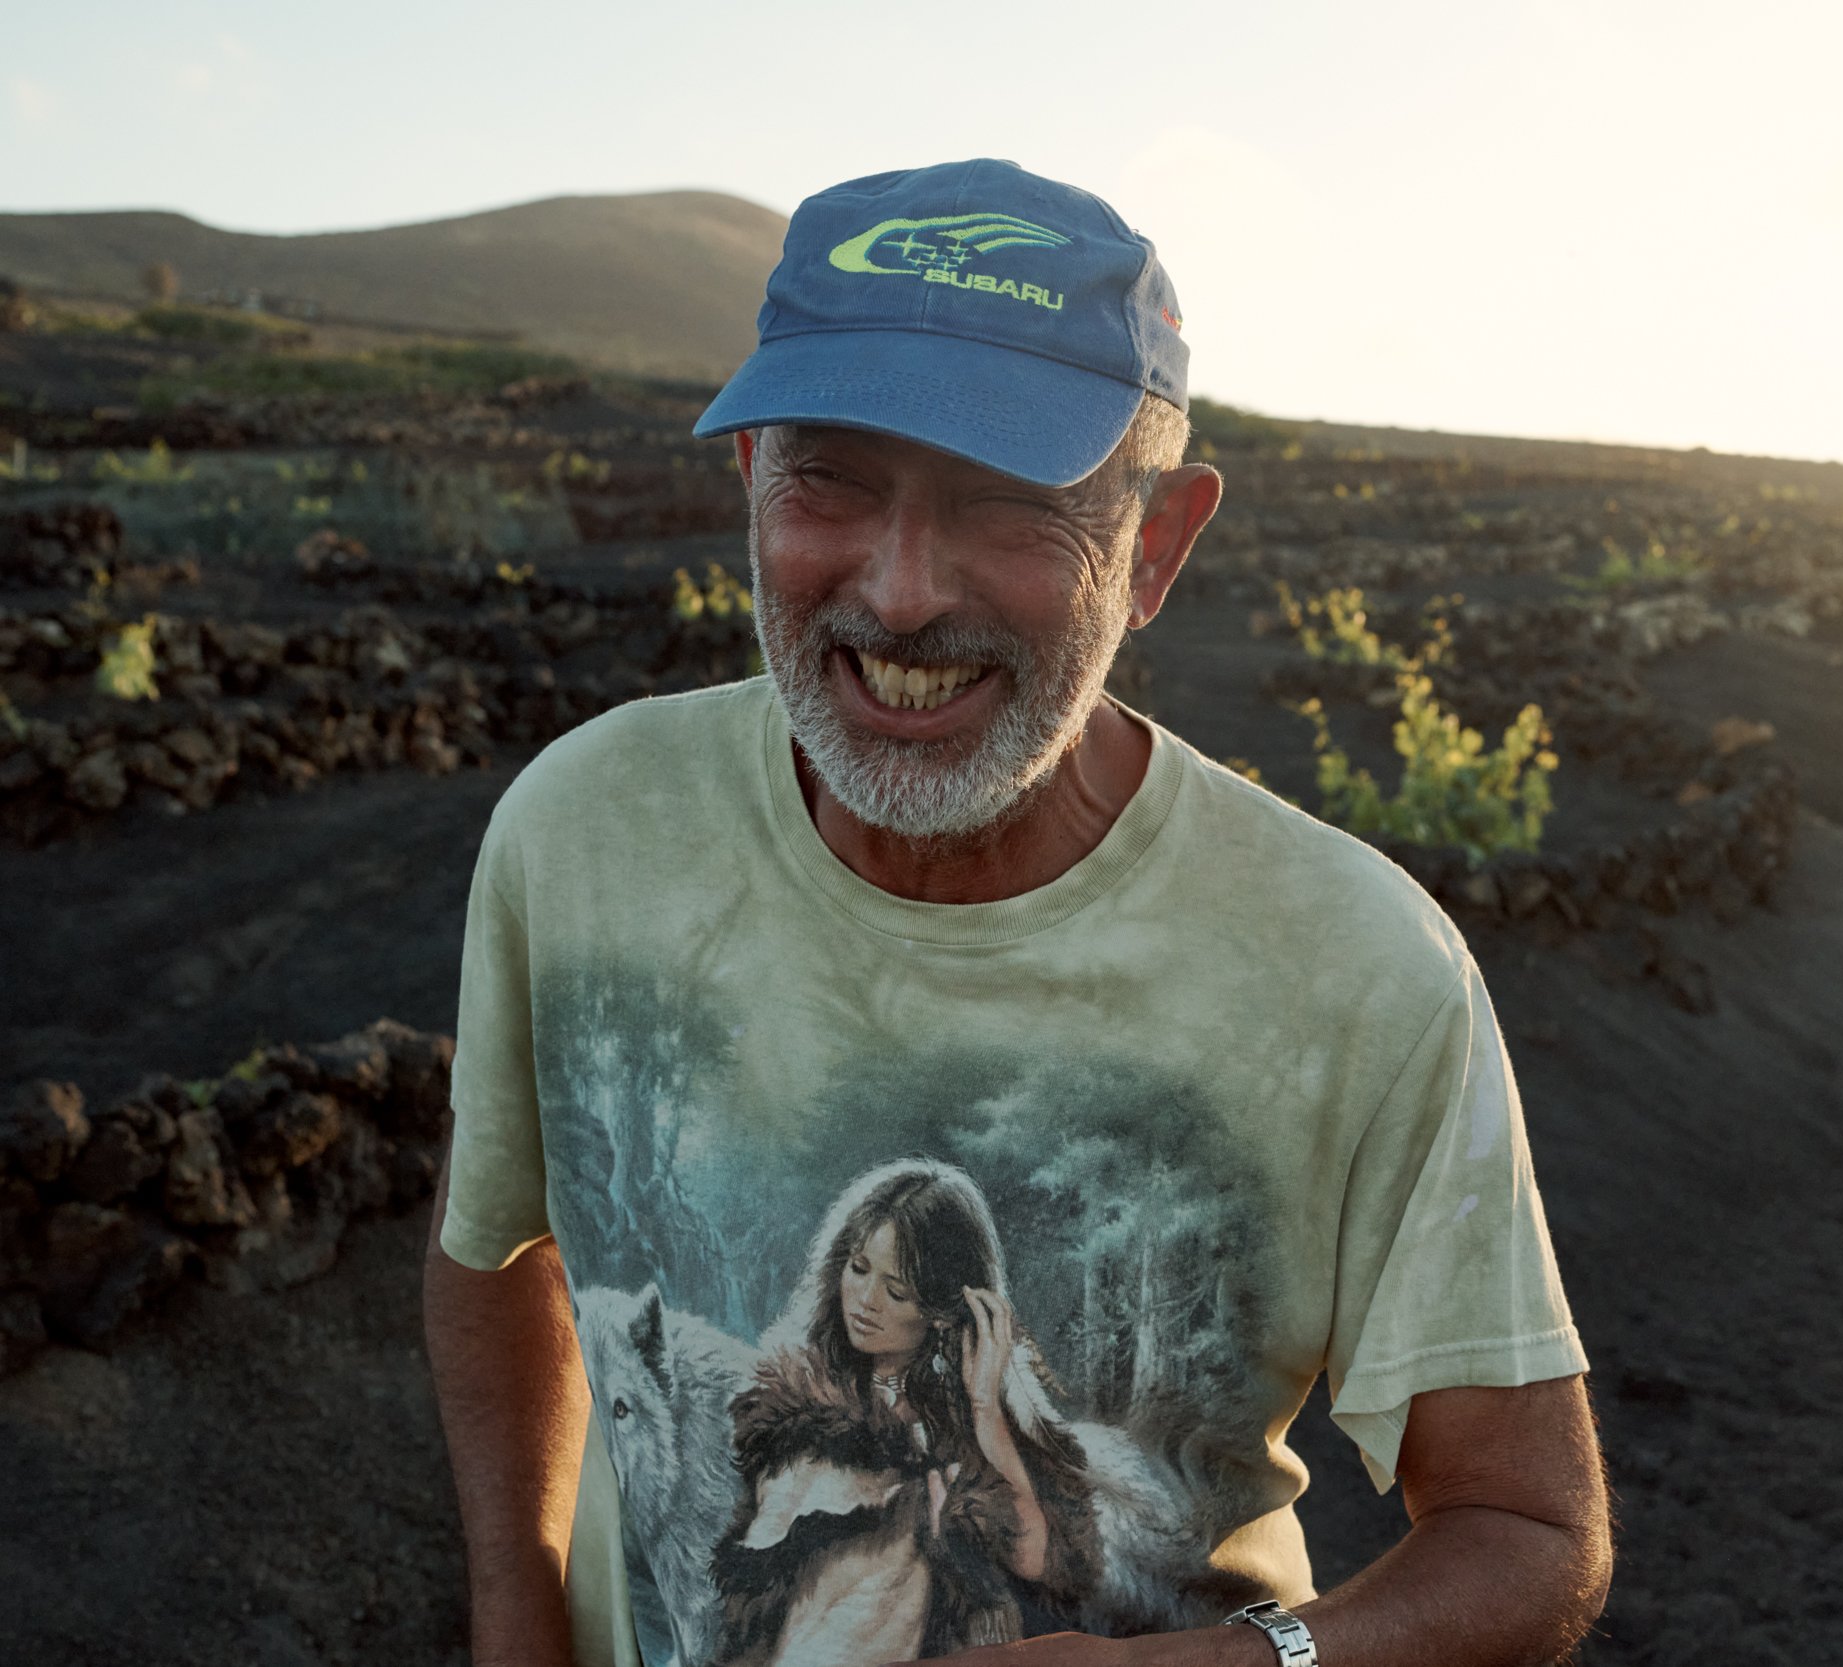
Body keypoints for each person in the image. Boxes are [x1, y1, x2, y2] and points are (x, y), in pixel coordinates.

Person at [423, 157, 1609, 1667]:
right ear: (748, 485)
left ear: (1156, 545)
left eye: (1008, 506)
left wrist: (1242, 1666)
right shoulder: (585, 829)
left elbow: (1528, 1531)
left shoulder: (1353, 966)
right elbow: (494, 1245)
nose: (903, 589)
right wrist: (517, 1615)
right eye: (830, 479)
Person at [713, 1160, 1106, 1662]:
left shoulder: (965, 1422)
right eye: (858, 1269)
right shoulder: (794, 1401)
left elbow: (1035, 1559)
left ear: (941, 1313)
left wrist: (986, 1410)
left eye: (896, 1291)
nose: (865, 1300)